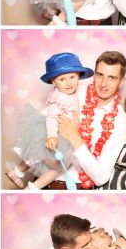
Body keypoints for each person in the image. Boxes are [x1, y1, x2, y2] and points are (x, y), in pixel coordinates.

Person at [6, 53, 94, 190]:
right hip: (56, 134)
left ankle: (17, 171)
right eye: (62, 79)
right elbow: (51, 117)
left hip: (66, 134)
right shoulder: (57, 98)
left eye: (72, 77)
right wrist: (52, 135)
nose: (69, 83)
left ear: (79, 75)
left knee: (37, 155)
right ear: (53, 82)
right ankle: (32, 187)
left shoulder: (72, 93)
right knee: (57, 166)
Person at [53, 50, 126, 189]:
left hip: (75, 187)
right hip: (44, 173)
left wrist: (74, 137)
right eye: (100, 75)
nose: (103, 84)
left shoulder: (119, 120)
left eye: (112, 78)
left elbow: (101, 178)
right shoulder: (75, 91)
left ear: (121, 82)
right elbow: (47, 115)